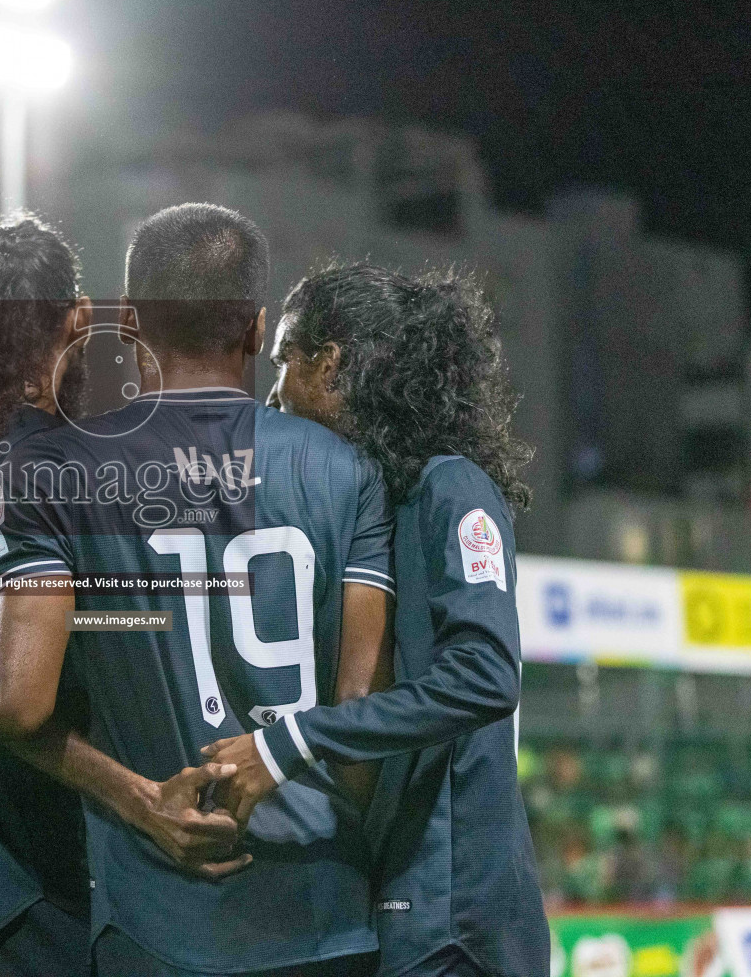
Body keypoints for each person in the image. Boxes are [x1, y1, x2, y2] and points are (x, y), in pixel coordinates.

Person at [0, 203, 396, 976]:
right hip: (323, 918)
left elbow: (16, 699)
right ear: (256, 332)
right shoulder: (347, 470)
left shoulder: (50, 472)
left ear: (126, 326)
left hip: (155, 927)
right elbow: (364, 716)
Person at [0, 214, 244, 977]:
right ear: (73, 322)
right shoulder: (36, 463)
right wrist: (136, 797)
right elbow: (4, 696)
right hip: (6, 892)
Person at [203, 263, 549, 977]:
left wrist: (288, 741)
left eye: (283, 365)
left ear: (329, 368)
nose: (271, 392)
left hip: (458, 918)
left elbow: (485, 677)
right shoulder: (371, 510)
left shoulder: (451, 488)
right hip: (396, 901)